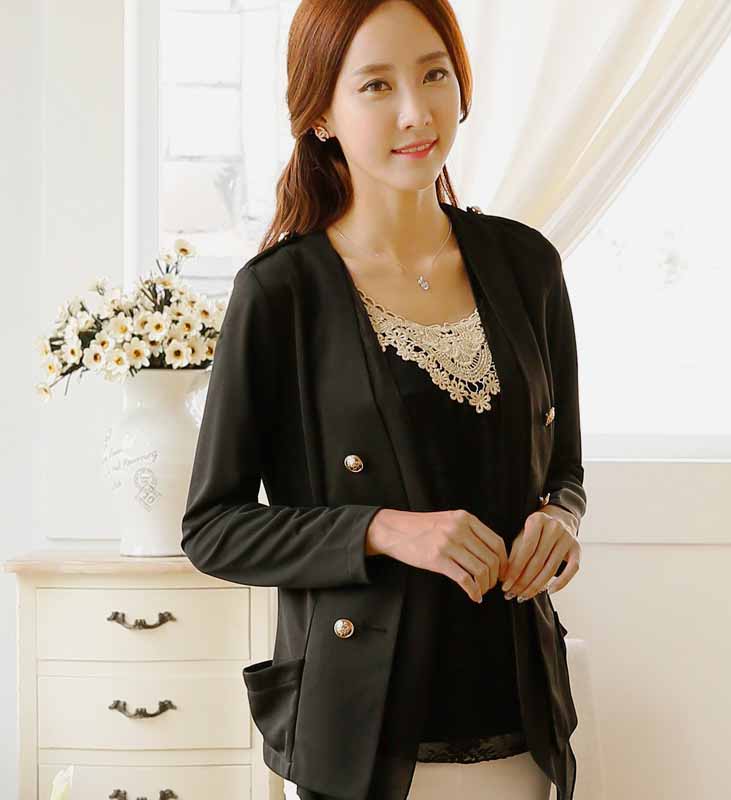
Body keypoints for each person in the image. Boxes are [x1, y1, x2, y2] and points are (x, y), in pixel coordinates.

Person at [181, 1, 586, 799]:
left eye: (434, 74)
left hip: (515, 705)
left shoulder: (527, 266)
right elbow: (212, 528)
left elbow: (563, 467)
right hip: (357, 723)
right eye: (375, 85)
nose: (415, 111)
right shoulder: (280, 294)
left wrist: (561, 520)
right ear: (321, 115)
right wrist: (381, 529)